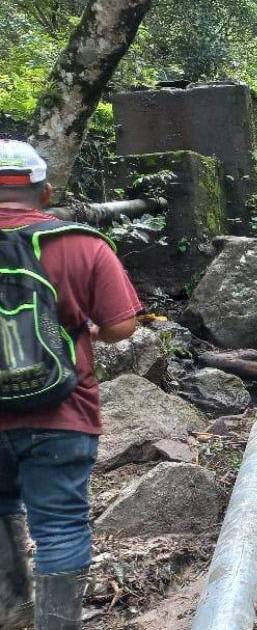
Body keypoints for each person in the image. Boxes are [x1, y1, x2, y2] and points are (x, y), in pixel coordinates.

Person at [0, 140, 141, 630]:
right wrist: (90, 330)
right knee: (59, 526)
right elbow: (122, 325)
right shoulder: (81, 243)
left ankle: (11, 610)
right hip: (62, 410)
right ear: (46, 192)